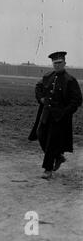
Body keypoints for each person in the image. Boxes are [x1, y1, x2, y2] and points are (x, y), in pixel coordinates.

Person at [28, 51, 82, 179]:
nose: (57, 65)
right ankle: (58, 156)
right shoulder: (47, 76)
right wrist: (41, 98)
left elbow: (77, 100)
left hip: (60, 117)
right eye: (55, 63)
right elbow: (38, 87)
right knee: (40, 135)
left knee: (51, 142)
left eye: (59, 63)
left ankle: (48, 169)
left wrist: (66, 112)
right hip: (46, 113)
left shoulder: (70, 80)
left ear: (64, 63)